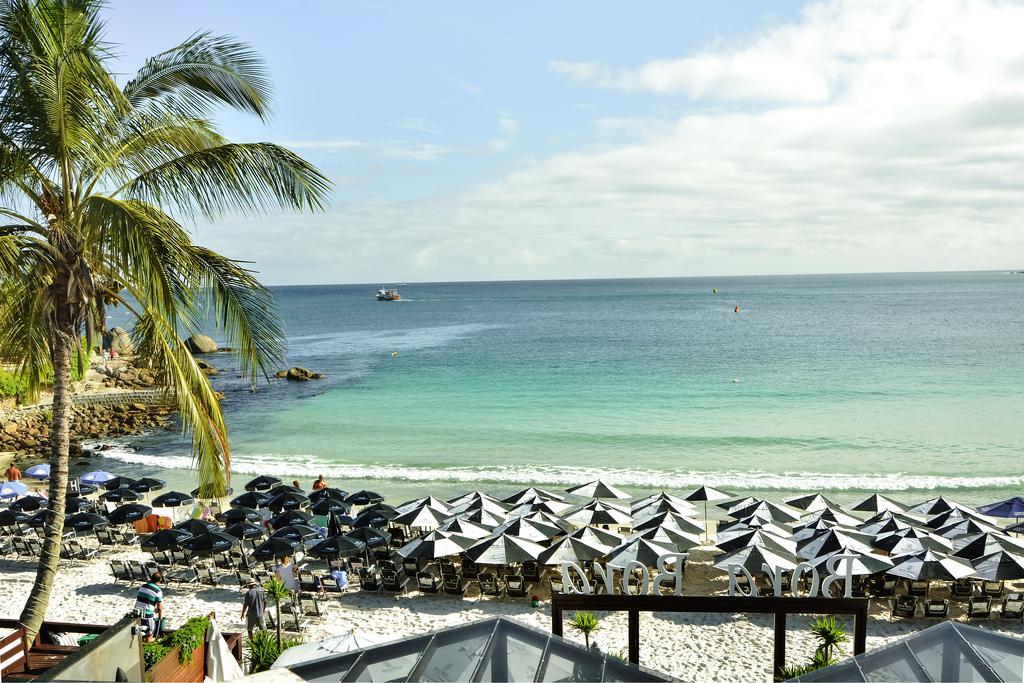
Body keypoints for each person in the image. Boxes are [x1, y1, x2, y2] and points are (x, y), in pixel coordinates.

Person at [135, 571, 164, 642]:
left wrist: (154, 609)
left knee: (139, 635)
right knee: (149, 635)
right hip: (147, 616)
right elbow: (160, 608)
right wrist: (160, 618)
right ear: (160, 580)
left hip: (137, 613)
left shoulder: (142, 587)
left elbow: (145, 601)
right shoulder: (158, 591)